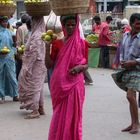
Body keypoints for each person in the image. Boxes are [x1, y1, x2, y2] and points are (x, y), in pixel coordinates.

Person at [45, 14, 88, 140]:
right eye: (67, 25)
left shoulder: (82, 43)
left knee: (74, 115)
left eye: (73, 25)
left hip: (76, 84)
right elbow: (48, 65)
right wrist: (47, 47)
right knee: (59, 114)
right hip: (59, 84)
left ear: (76, 26)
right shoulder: (57, 43)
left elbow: (86, 64)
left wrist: (80, 68)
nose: (70, 27)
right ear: (63, 26)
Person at [112, 13, 140, 134]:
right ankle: (133, 123)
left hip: (137, 70)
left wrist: (133, 62)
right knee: (131, 97)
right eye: (137, 23)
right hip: (127, 69)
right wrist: (123, 61)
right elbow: (122, 51)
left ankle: (136, 124)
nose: (139, 26)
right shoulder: (126, 36)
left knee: (130, 95)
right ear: (132, 23)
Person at [18, 17, 47, 119]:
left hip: (35, 64)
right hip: (40, 63)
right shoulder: (41, 33)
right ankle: (41, 108)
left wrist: (26, 64)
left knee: (34, 87)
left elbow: (34, 52)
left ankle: (35, 110)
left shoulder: (36, 35)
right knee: (39, 87)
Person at [0, 16, 18, 103]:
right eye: (3, 22)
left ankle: (15, 94)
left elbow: (12, 45)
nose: (5, 23)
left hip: (9, 56)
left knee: (12, 75)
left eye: (6, 22)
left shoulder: (9, 32)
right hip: (1, 57)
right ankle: (1, 96)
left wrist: (15, 43)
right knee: (1, 76)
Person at [16, 14, 30, 79]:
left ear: (21, 20)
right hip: (29, 51)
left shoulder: (20, 28)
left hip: (22, 52)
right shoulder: (30, 27)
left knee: (19, 71)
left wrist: (18, 53)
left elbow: (18, 42)